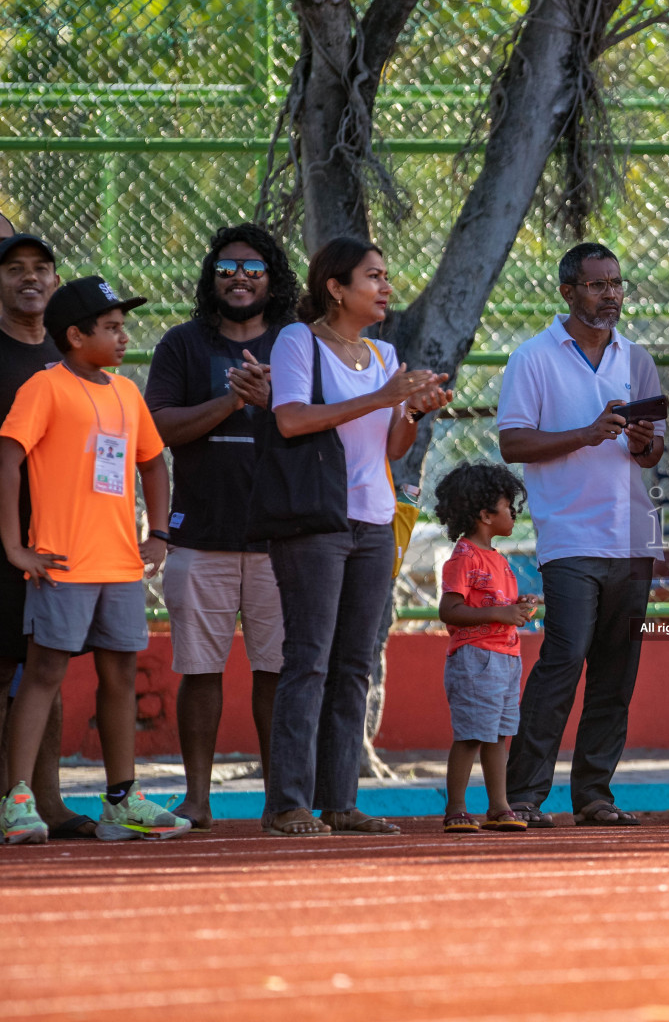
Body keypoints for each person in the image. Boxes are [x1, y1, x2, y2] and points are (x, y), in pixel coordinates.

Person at [263, 238, 451, 837]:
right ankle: (287, 804)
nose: (386, 287)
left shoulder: (384, 352)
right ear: (335, 288)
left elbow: (391, 448)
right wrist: (382, 396)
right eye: (374, 276)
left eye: (386, 275)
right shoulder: (298, 342)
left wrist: (414, 411)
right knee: (309, 660)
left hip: (374, 518)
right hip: (316, 520)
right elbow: (290, 419)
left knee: (354, 663)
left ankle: (339, 802)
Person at [0, 276, 188, 843]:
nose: (124, 335)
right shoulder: (44, 387)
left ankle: (121, 799)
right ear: (76, 336)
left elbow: (153, 463)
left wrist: (157, 532)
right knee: (44, 674)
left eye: (123, 325)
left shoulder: (128, 394)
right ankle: (17, 801)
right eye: (111, 327)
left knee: (121, 675)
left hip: (120, 565)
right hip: (61, 563)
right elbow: (7, 459)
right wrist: (13, 545)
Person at [497, 242, 664, 828]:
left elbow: (652, 451)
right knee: (564, 659)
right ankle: (523, 794)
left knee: (617, 672)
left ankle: (594, 795)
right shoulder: (533, 358)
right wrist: (587, 433)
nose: (610, 294)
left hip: (633, 540)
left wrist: (643, 442)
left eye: (616, 283)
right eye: (597, 285)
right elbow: (513, 443)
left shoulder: (636, 358)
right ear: (568, 291)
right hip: (569, 536)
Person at [144, 224, 297, 831]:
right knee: (200, 669)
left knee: (276, 671)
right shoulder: (183, 344)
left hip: (280, 536)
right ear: (212, 278)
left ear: (272, 278)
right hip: (200, 534)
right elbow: (160, 429)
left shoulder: (296, 343)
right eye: (227, 267)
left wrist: (266, 399)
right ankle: (198, 799)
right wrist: (231, 402)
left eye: (253, 268)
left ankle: (279, 799)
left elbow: (313, 425)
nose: (240, 278)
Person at [0, 233, 87, 839]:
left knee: (45, 669)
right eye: (14, 270)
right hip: (6, 544)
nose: (29, 278)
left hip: (58, 543)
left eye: (41, 269)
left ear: (56, 282)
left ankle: (45, 801)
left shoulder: (73, 364)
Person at [433, 462, 539, 834]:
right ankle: (457, 808)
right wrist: (501, 612)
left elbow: (496, 606)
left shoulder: (499, 560)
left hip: (506, 658)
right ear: (484, 515)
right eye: (508, 507)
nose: (514, 514)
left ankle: (499, 806)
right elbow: (450, 609)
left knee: (497, 734)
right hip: (477, 658)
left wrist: (516, 606)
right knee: (471, 734)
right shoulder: (464, 557)